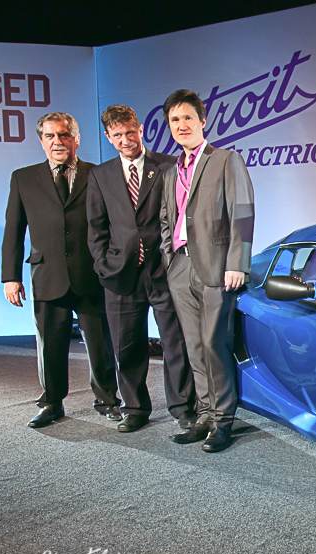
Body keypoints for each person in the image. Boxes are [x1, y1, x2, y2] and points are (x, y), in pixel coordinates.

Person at [1, 112, 120, 428]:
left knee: (100, 343)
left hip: (92, 275)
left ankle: (108, 400)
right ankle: (52, 403)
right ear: (41, 141)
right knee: (50, 345)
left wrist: (112, 266)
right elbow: (13, 230)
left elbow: (114, 225)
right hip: (47, 275)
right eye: (50, 136)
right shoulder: (23, 178)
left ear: (76, 139)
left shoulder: (98, 175)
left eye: (64, 135)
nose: (58, 141)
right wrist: (10, 277)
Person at [86, 104, 196, 433]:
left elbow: (182, 216)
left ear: (141, 130)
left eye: (130, 132)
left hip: (164, 272)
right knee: (127, 346)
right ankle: (134, 407)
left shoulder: (167, 165)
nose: (125, 140)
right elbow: (96, 228)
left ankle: (182, 407)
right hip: (121, 276)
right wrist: (104, 265)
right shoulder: (100, 175)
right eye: (117, 135)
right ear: (108, 137)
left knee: (175, 344)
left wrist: (178, 262)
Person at [159, 89, 255, 452]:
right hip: (181, 266)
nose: (181, 125)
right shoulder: (172, 171)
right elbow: (167, 218)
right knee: (194, 345)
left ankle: (223, 419)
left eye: (187, 117)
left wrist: (237, 263)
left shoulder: (226, 160)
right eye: (174, 120)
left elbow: (242, 213)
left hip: (217, 267)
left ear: (203, 120)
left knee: (215, 344)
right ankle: (204, 414)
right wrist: (169, 257)